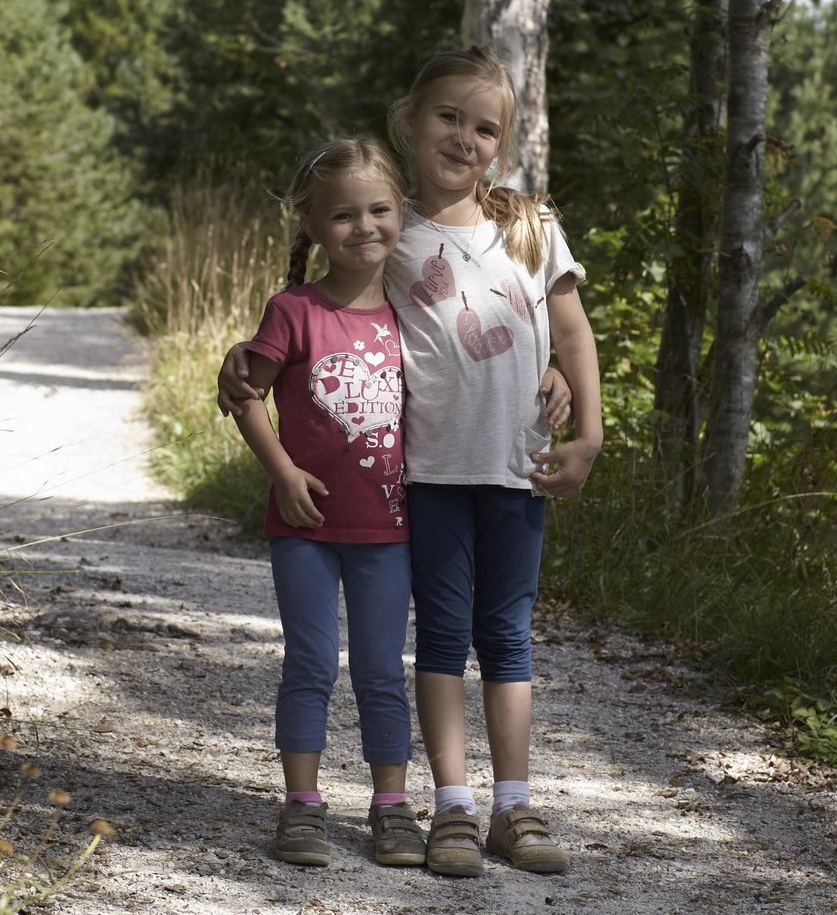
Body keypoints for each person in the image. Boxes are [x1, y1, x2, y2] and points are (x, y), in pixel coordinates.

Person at [221, 46, 604, 878]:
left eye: (483, 128)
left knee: (507, 637)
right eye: (446, 118)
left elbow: (567, 329)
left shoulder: (529, 225)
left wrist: (588, 428)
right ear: (408, 120)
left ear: (500, 145)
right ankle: (452, 808)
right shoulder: (391, 232)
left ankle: (513, 805)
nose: (463, 138)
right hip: (423, 478)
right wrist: (241, 363)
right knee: (436, 638)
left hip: (517, 468)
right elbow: (319, 304)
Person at [231, 136, 426, 869]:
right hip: (304, 528)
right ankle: (303, 806)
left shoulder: (413, 314)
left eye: (380, 210)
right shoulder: (293, 310)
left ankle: (390, 806)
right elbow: (246, 395)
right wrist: (280, 470)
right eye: (343, 214)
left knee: (380, 667)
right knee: (309, 661)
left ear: (401, 215)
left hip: (391, 529)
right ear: (312, 225)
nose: (364, 227)